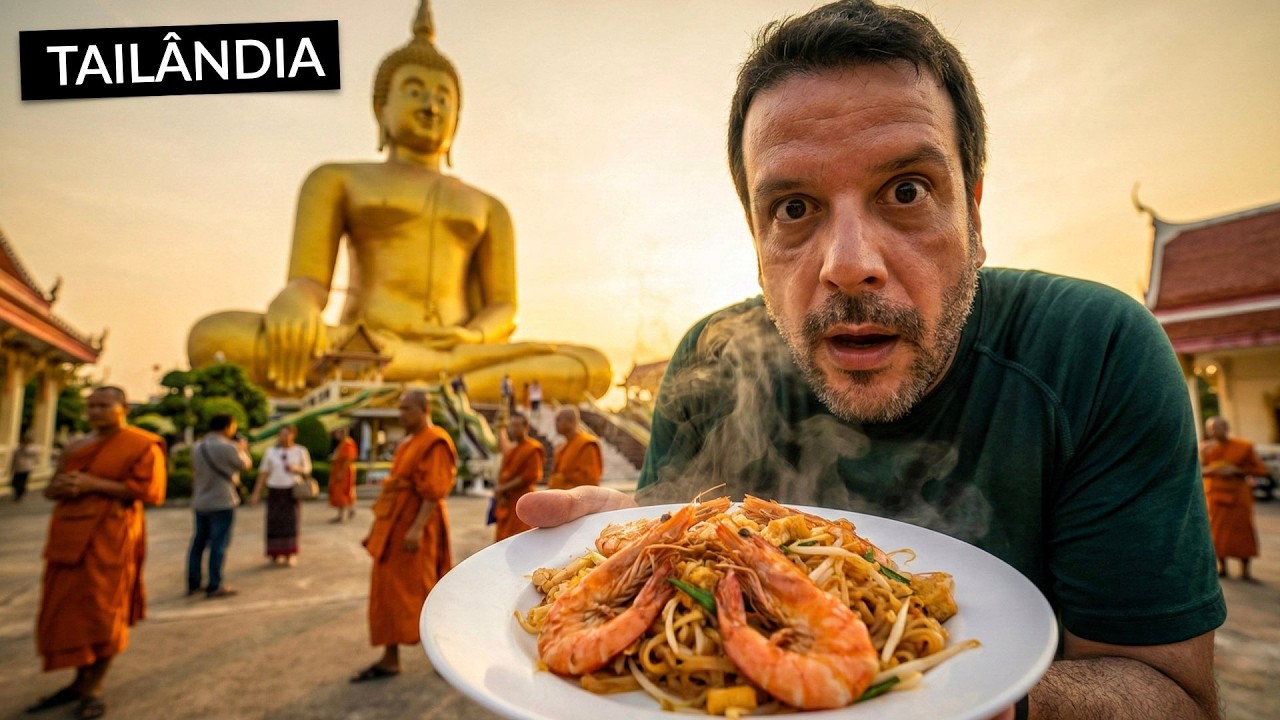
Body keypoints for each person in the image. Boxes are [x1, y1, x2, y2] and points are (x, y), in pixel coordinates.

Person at [518, 3, 1225, 719]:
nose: (848, 265)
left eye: (907, 191)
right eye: (794, 208)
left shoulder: (1093, 352)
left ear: (975, 218)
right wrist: (631, 548)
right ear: (756, 245)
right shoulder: (710, 366)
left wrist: (980, 699)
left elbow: (1173, 695)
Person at [185, 1, 611, 404]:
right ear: (381, 109)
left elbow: (504, 306)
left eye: (444, 98)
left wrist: (474, 338)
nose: (431, 107)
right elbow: (309, 282)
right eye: (414, 92)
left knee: (594, 365)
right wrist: (294, 303)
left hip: (460, 351)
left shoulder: (489, 206)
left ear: (457, 117)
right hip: (365, 343)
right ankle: (446, 386)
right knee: (214, 336)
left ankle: (425, 381)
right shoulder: (336, 179)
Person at [27, 386, 166, 720]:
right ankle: (78, 681)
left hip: (110, 538)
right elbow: (52, 488)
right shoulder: (77, 446)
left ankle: (94, 687)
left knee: (105, 609)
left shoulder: (140, 444)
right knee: (67, 611)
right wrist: (58, 488)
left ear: (124, 409)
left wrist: (93, 485)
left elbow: (151, 492)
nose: (95, 412)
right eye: (91, 406)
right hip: (68, 537)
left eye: (104, 405)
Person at [352, 389, 456, 682]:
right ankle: (390, 658)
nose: (401, 414)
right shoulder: (408, 442)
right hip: (394, 524)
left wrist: (416, 527)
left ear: (424, 410)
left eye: (407, 409)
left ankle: (444, 657)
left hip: (417, 527)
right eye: (400, 408)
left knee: (424, 590)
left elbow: (434, 491)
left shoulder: (436, 441)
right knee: (387, 591)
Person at [187, 414, 251, 598]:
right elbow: (245, 465)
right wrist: (243, 449)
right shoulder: (228, 447)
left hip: (201, 500)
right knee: (218, 544)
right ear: (228, 427)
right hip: (222, 500)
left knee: (198, 542)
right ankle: (214, 584)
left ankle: (194, 582)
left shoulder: (197, 446)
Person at [1200, 417, 1269, 581]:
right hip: (1215, 496)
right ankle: (1222, 566)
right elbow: (1198, 469)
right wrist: (1213, 469)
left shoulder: (1243, 447)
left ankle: (1245, 569)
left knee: (1243, 532)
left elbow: (1260, 470)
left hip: (1238, 495)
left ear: (1226, 428)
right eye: (1211, 428)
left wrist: (1236, 470)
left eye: (1217, 427)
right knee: (1217, 533)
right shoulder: (1205, 448)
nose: (1213, 431)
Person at [250, 425, 311, 567]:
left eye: (287, 434)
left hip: (291, 491)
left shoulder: (300, 451)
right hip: (275, 490)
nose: (284, 437)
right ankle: (275, 553)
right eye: (281, 434)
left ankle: (290, 553)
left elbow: (307, 469)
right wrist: (256, 493)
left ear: (293, 435)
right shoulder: (271, 452)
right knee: (274, 523)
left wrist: (297, 469)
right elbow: (263, 473)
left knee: (291, 523)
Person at [493, 412, 544, 541]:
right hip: (507, 500)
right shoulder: (513, 449)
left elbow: (530, 476)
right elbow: (503, 452)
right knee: (503, 539)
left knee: (520, 538)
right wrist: (500, 429)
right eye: (511, 426)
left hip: (522, 499)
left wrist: (503, 487)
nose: (513, 429)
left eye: (516, 426)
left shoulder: (533, 448)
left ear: (526, 427)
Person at [547, 407, 602, 491]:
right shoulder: (563, 446)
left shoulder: (586, 444)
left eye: (558, 420)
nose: (556, 424)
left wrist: (562, 479)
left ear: (570, 422)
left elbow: (590, 478)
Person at [328, 427, 359, 523]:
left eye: (337, 433)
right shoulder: (342, 444)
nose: (336, 436)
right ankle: (349, 510)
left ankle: (342, 515)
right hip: (339, 470)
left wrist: (341, 472)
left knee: (342, 492)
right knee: (341, 492)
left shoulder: (348, 443)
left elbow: (348, 459)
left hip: (345, 471)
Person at [9, 429, 39, 502]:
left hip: (26, 468)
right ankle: (17, 494)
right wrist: (11, 467)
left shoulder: (32, 448)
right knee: (16, 482)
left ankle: (20, 495)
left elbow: (35, 458)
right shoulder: (18, 448)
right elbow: (14, 458)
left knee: (22, 482)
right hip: (18, 468)